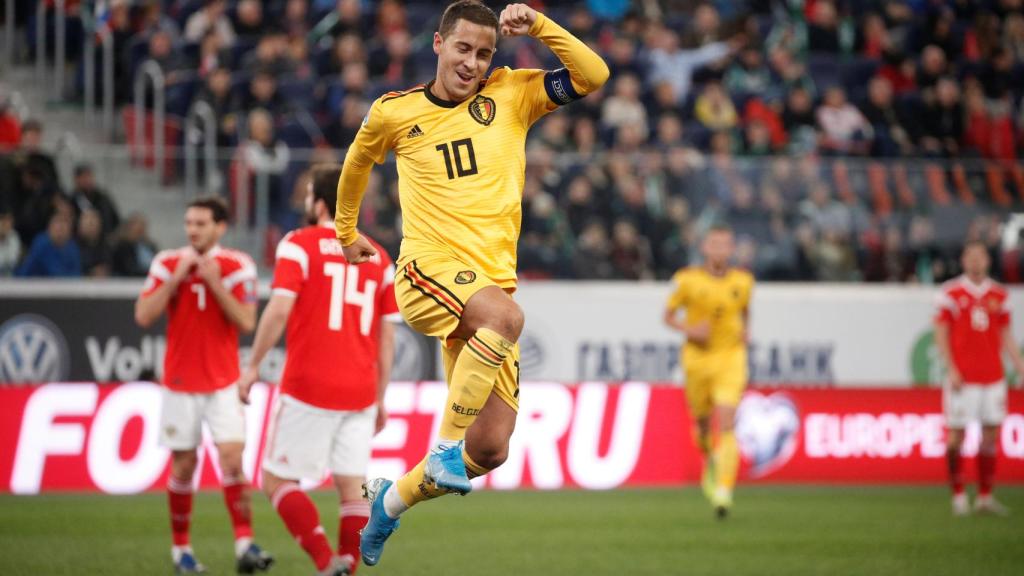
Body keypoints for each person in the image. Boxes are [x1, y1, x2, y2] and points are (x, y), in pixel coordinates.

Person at [334, 1, 608, 566]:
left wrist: (539, 26)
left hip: (487, 292)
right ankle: (441, 449)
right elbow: (357, 161)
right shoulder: (395, 112)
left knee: (490, 450)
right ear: (438, 44)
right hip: (426, 271)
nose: (472, 63)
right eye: (463, 48)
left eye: (484, 54)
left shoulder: (513, 94)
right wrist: (346, 232)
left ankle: (390, 502)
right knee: (506, 322)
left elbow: (593, 74)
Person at [237, 165, 398, 576]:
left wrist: (252, 364)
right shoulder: (379, 256)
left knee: (276, 481)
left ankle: (327, 561)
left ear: (320, 202)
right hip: (361, 388)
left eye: (308, 195)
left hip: (310, 384)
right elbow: (386, 338)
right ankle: (348, 570)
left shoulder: (299, 244)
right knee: (352, 486)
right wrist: (381, 396)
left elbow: (278, 308)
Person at [133, 198, 273, 574]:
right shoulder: (167, 262)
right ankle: (182, 552)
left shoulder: (236, 265)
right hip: (180, 381)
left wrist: (214, 282)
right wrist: (178, 278)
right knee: (184, 464)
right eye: (189, 223)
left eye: (200, 223)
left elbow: (246, 321)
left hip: (223, 382)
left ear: (220, 227)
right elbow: (144, 314)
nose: (192, 229)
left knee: (232, 461)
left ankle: (245, 544)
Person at [663, 224, 754, 519]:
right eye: (714, 244)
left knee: (726, 422)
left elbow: (745, 310)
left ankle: (724, 492)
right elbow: (667, 316)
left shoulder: (744, 280)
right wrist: (690, 329)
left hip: (730, 357)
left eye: (725, 245)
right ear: (705, 248)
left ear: (731, 249)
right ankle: (709, 456)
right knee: (702, 425)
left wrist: (745, 331)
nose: (719, 250)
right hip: (697, 360)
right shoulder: (687, 280)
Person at [933, 241, 1024, 516]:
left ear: (987, 261)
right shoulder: (950, 293)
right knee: (956, 437)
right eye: (970, 256)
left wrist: (1019, 365)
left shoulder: (999, 294)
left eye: (980, 256)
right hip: (964, 376)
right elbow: (940, 333)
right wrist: (951, 368)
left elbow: (1005, 334)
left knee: (990, 435)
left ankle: (985, 496)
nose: (975, 261)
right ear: (963, 260)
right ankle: (958, 495)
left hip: (993, 375)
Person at [16, 210, 81, 277]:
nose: (61, 227)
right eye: (58, 223)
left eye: (65, 223)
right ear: (49, 227)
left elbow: (76, 274)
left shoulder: (72, 247)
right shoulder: (41, 243)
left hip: (63, 285)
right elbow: (26, 270)